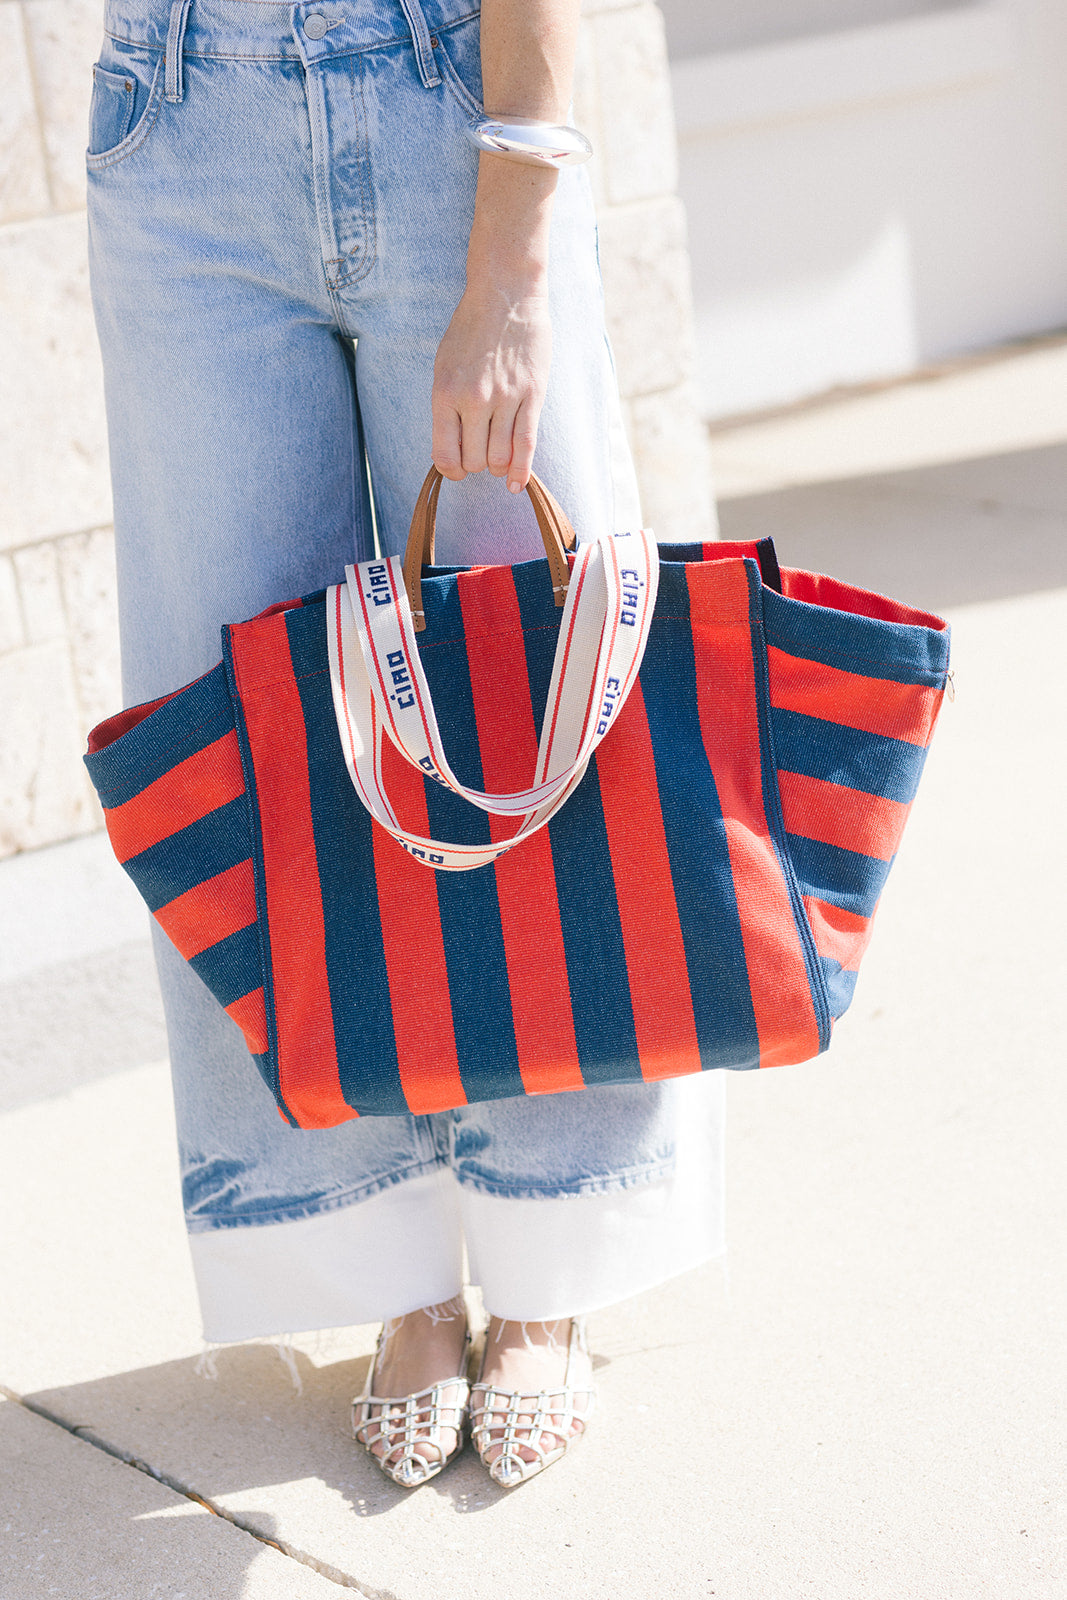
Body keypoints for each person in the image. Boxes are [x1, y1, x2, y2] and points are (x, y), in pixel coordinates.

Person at [87, 0, 724, 1488]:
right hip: (177, 117)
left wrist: (512, 236)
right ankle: (394, 1281)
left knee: (532, 674)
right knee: (250, 720)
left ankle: (550, 1272)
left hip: (454, 93)